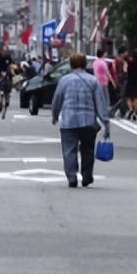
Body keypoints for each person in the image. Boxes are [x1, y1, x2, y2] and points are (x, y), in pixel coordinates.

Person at [52, 53, 110, 188]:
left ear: (71, 65)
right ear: (85, 64)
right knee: (88, 149)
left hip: (68, 121)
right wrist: (105, 121)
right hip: (88, 121)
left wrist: (55, 115)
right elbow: (100, 102)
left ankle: (72, 177)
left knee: (69, 150)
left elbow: (57, 99)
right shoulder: (93, 81)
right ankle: (87, 175)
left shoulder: (64, 80)